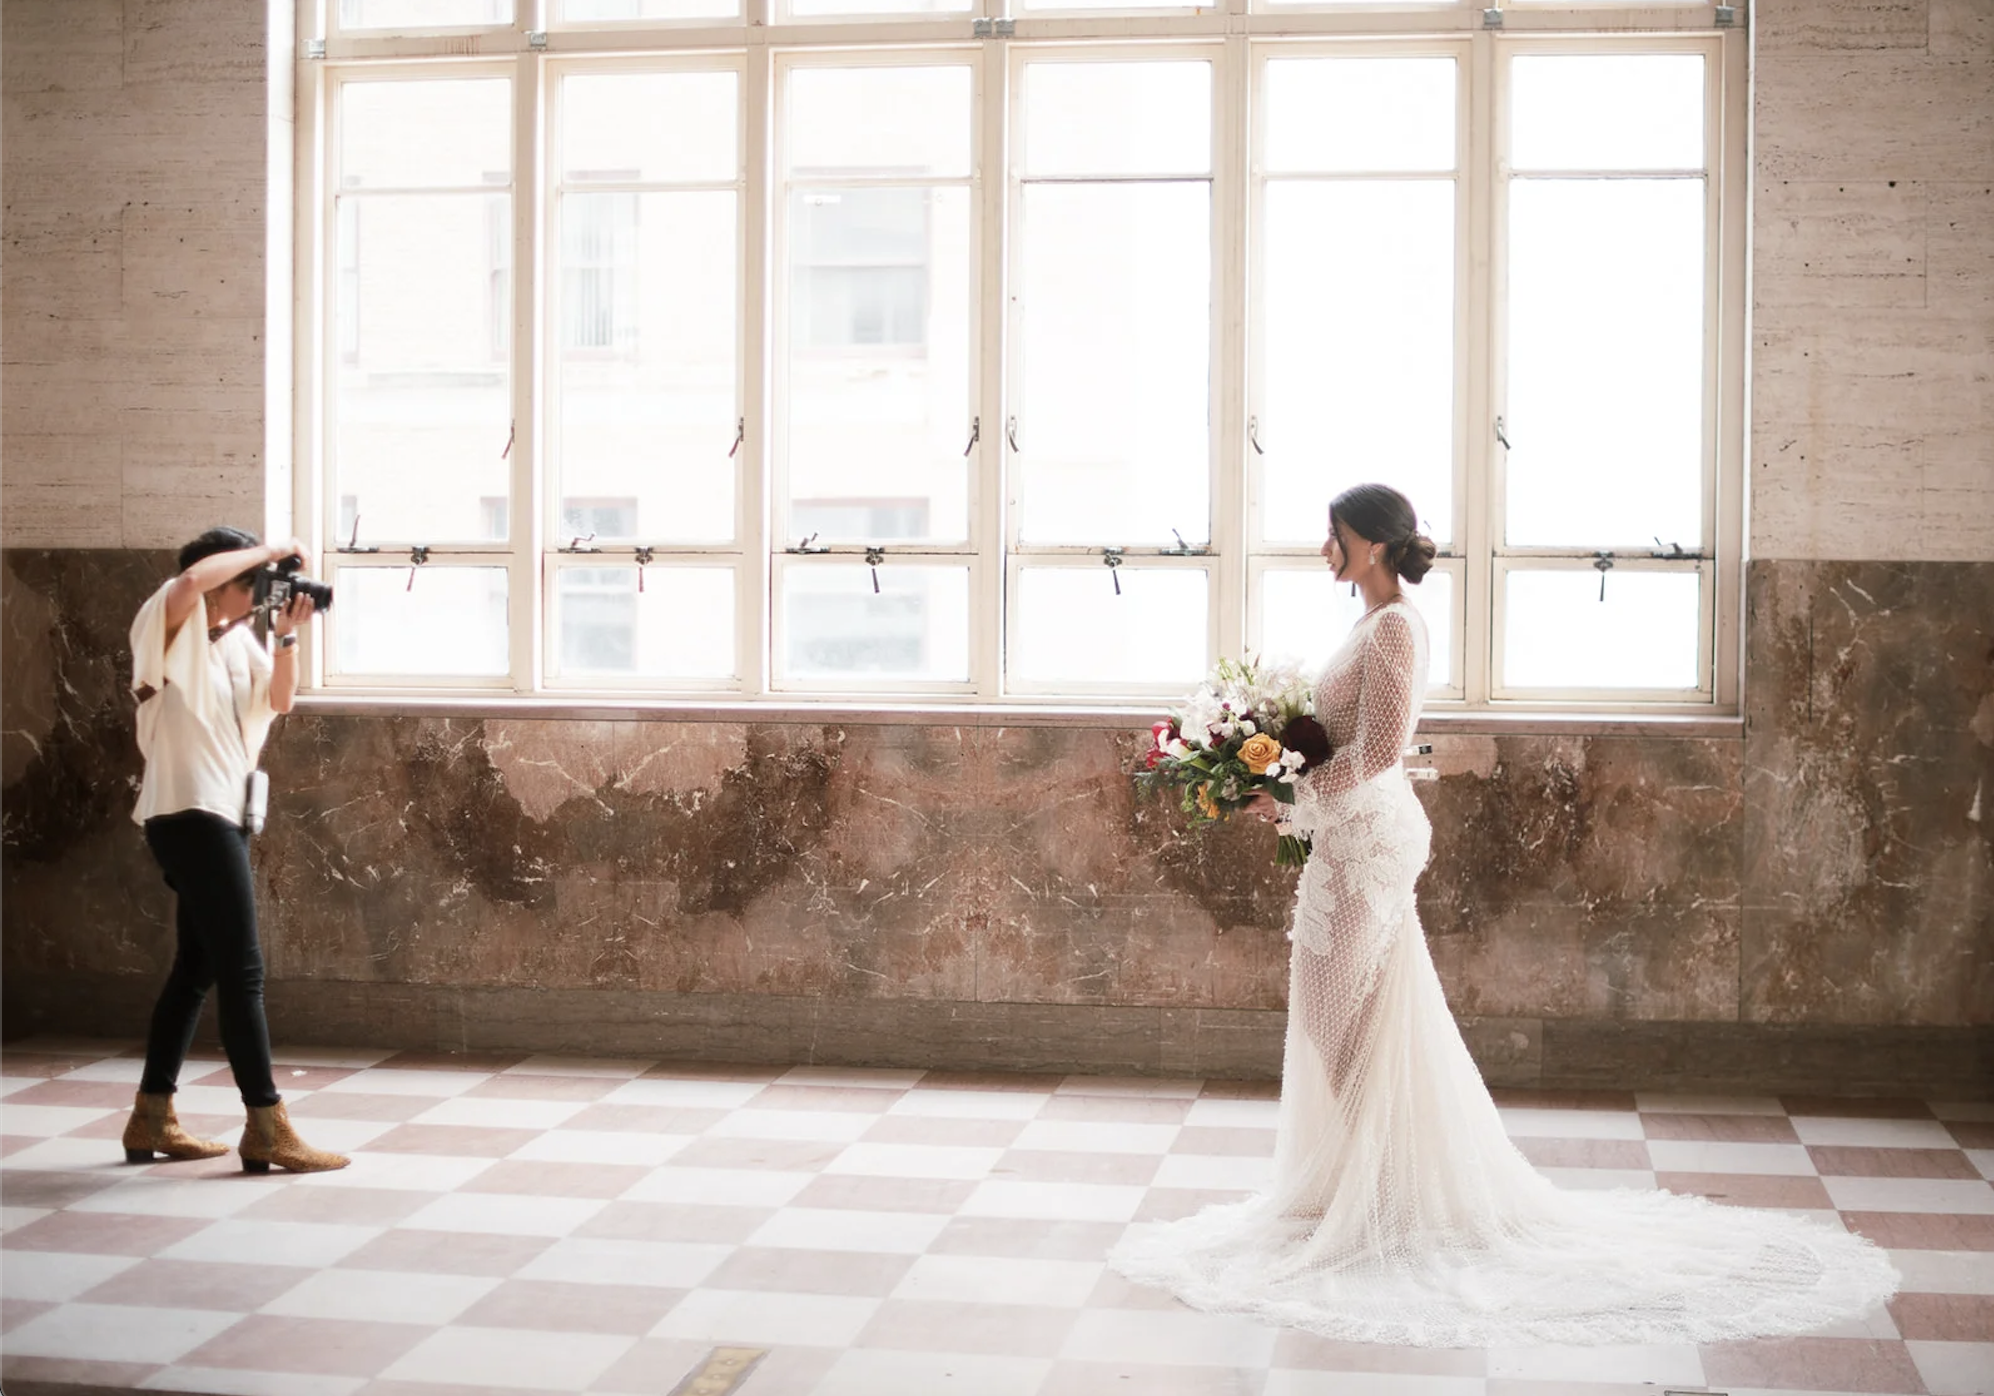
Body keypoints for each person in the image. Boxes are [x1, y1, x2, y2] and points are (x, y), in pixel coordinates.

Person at [1110, 483, 1896, 1345]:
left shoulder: (1397, 627)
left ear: (1373, 543)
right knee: (1355, 1018)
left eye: (1334, 535)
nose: (1324, 548)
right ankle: (1383, 1187)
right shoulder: (1368, 624)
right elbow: (1342, 740)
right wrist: (1276, 776)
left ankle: (1395, 1197)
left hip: (1368, 843)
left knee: (1336, 1015)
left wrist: (1290, 797)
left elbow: (1381, 750)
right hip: (1344, 838)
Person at [119, 527, 349, 1175]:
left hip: (221, 812)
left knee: (196, 969)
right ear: (218, 580)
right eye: (249, 584)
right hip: (190, 813)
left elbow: (280, 700)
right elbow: (191, 581)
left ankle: (152, 1116)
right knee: (243, 972)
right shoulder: (168, 620)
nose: (256, 594)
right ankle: (267, 1126)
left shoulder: (237, 642)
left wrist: (286, 637)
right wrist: (272, 549)